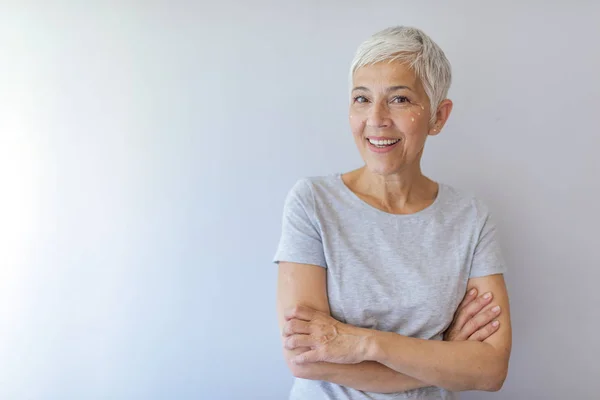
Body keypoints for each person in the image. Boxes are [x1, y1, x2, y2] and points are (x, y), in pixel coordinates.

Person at [273, 26, 511, 399]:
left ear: (438, 116)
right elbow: (306, 358)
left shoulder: (470, 217)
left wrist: (363, 343)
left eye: (399, 99)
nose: (377, 118)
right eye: (362, 98)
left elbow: (491, 369)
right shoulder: (313, 202)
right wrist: (444, 358)